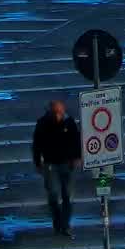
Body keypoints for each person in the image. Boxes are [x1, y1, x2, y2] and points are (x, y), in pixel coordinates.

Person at [32, 98, 81, 236]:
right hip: (50, 163)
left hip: (67, 163)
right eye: (55, 113)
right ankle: (57, 220)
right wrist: (37, 161)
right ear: (50, 112)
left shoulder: (69, 122)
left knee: (67, 196)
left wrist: (77, 157)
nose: (57, 116)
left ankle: (64, 225)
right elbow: (36, 143)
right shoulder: (42, 123)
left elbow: (76, 140)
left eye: (59, 112)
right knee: (53, 194)